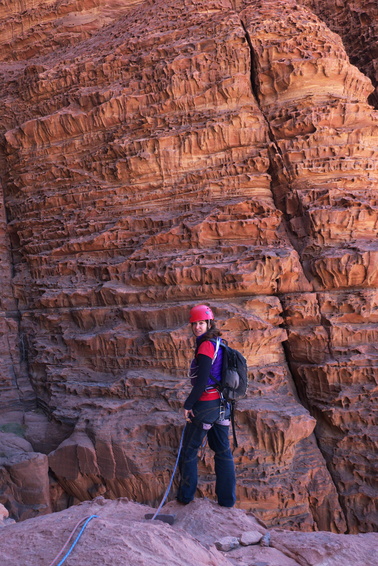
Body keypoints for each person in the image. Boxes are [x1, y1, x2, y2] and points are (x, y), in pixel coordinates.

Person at [177, 304, 236, 507]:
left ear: (209, 323)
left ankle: (185, 498)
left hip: (207, 404)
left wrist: (188, 404)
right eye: (195, 324)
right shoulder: (219, 342)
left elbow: (201, 381)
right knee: (222, 451)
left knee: (189, 450)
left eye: (201, 323)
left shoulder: (205, 346)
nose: (197, 327)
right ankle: (227, 501)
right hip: (223, 405)